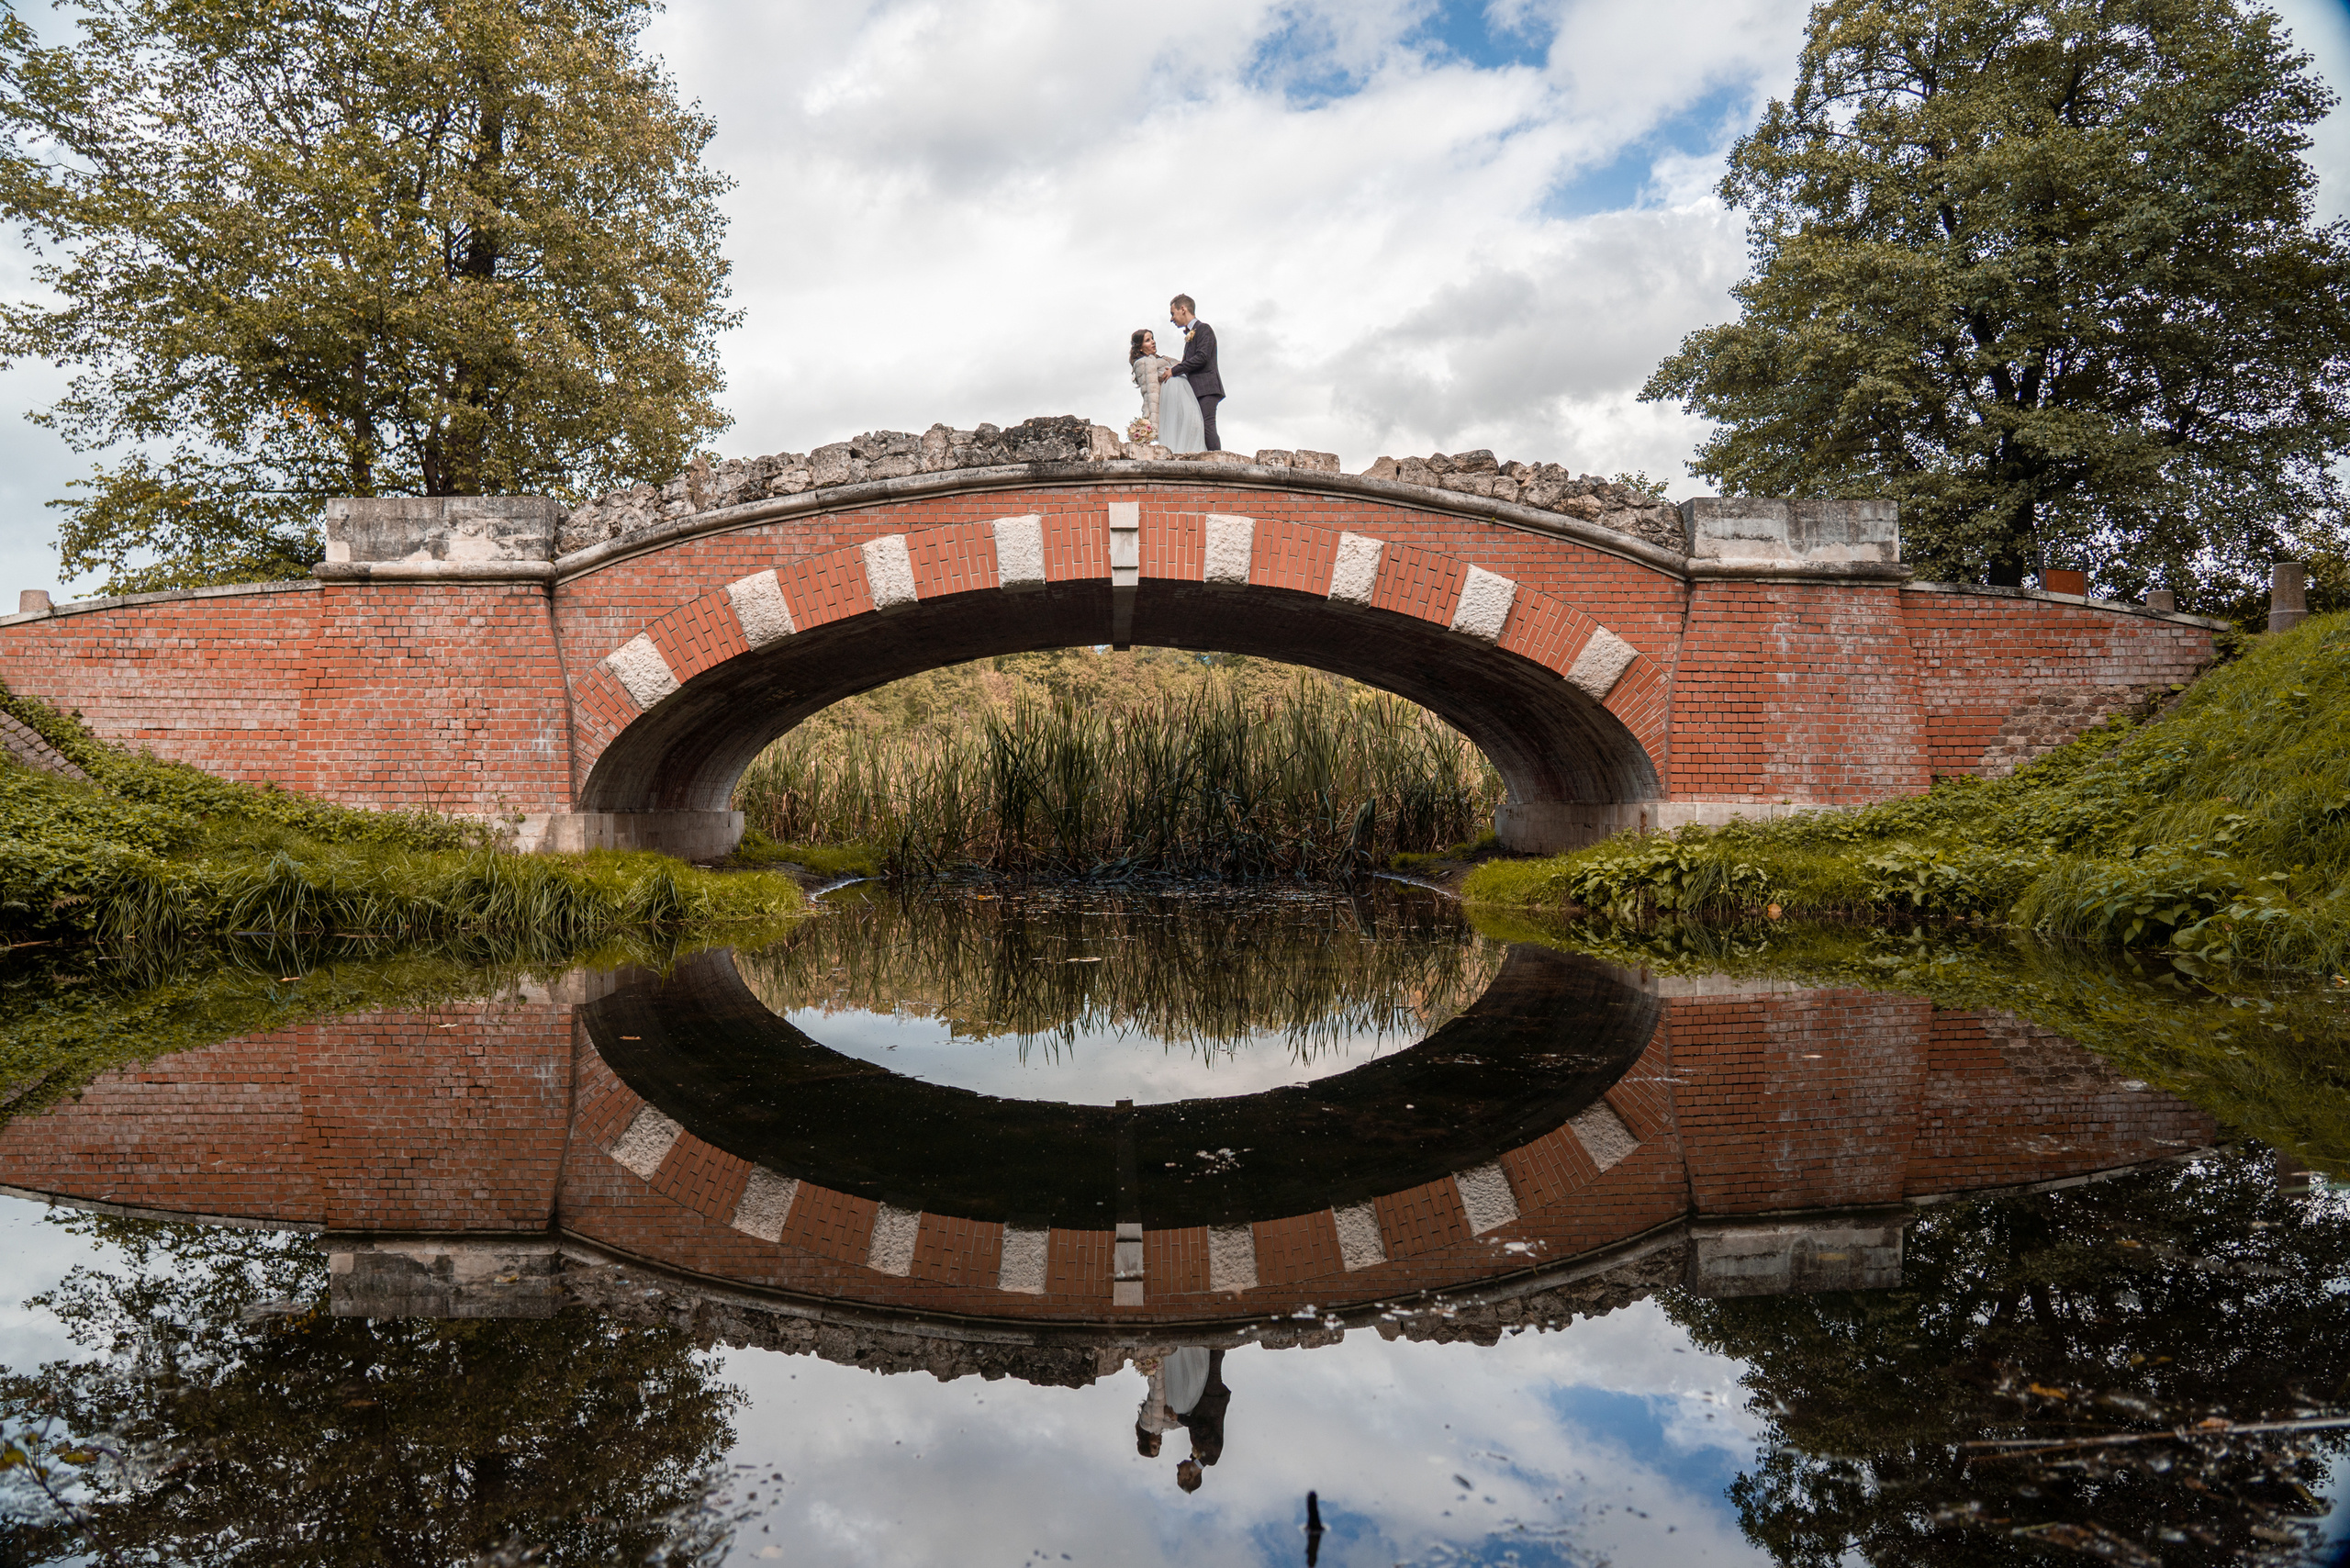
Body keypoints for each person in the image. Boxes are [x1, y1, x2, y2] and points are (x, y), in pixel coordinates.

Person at [1158, 295, 1224, 451]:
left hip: (1207, 387)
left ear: (1183, 309)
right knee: (1197, 428)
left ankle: (1217, 460)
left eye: (1172, 313)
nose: (1172, 319)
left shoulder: (1203, 329)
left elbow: (1202, 357)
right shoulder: (1191, 334)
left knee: (1207, 426)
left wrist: (1175, 370)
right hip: (1196, 389)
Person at [1129, 328, 1204, 453]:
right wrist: (1148, 422)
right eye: (1148, 340)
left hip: (1185, 397)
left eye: (1152, 338)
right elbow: (1149, 393)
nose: (1153, 342)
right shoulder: (1143, 363)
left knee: (1194, 426)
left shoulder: (1164, 359)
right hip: (1171, 402)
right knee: (1181, 430)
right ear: (1140, 348)